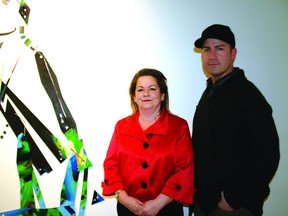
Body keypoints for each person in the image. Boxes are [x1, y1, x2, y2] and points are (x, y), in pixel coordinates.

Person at [191, 24, 280, 216]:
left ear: (233, 53)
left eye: (220, 48)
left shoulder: (247, 96)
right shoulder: (211, 92)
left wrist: (233, 198)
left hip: (231, 208)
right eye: (207, 49)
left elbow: (267, 155)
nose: (212, 55)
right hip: (206, 202)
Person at [102, 68, 194, 216]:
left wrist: (158, 204)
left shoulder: (179, 126)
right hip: (128, 209)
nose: (145, 94)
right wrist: (124, 198)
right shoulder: (121, 126)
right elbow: (111, 165)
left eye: (152, 89)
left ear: (162, 95)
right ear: (133, 96)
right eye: (140, 89)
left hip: (166, 209)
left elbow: (184, 170)